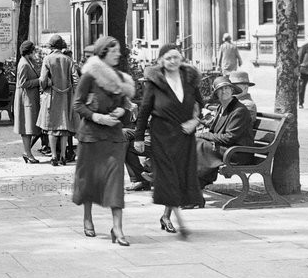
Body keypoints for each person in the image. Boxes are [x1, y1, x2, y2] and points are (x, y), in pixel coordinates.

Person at [133, 44, 204, 237]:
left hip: (184, 135)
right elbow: (145, 110)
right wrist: (138, 136)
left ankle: (166, 216)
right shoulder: (154, 82)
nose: (173, 61)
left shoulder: (190, 79)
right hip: (162, 136)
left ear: (181, 59)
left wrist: (194, 121)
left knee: (180, 176)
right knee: (168, 176)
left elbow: (200, 104)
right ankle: (177, 220)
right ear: (161, 61)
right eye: (168, 58)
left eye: (176, 57)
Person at [72, 35, 135, 245]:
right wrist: (98, 117)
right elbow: (78, 105)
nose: (118, 54)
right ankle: (87, 217)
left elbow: (126, 105)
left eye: (118, 50)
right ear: (104, 52)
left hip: (114, 139)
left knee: (115, 182)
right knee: (90, 179)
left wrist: (121, 110)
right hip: (91, 137)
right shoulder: (90, 75)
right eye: (114, 50)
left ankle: (117, 228)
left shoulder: (120, 78)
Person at [197, 76, 254, 188]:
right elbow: (215, 129)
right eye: (220, 89)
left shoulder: (239, 110)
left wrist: (203, 135)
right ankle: (194, 184)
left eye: (227, 88)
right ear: (216, 94)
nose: (224, 91)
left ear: (232, 90)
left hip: (238, 153)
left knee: (199, 144)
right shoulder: (221, 107)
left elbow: (229, 137)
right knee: (194, 142)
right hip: (225, 148)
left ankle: (197, 185)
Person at [37, 34, 76, 166]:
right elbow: (75, 79)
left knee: (52, 127)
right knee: (64, 127)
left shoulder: (47, 59)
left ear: (51, 47)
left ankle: (54, 156)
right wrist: (72, 92)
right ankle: (64, 156)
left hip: (51, 96)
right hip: (66, 97)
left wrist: (44, 87)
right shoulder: (68, 60)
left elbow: (42, 80)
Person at [14, 40, 41, 164]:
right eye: (33, 51)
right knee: (26, 127)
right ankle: (27, 153)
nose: (34, 53)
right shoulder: (24, 64)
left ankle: (27, 152)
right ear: (29, 52)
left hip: (28, 98)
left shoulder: (28, 62)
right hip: (25, 99)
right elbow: (23, 83)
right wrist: (39, 81)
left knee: (29, 127)